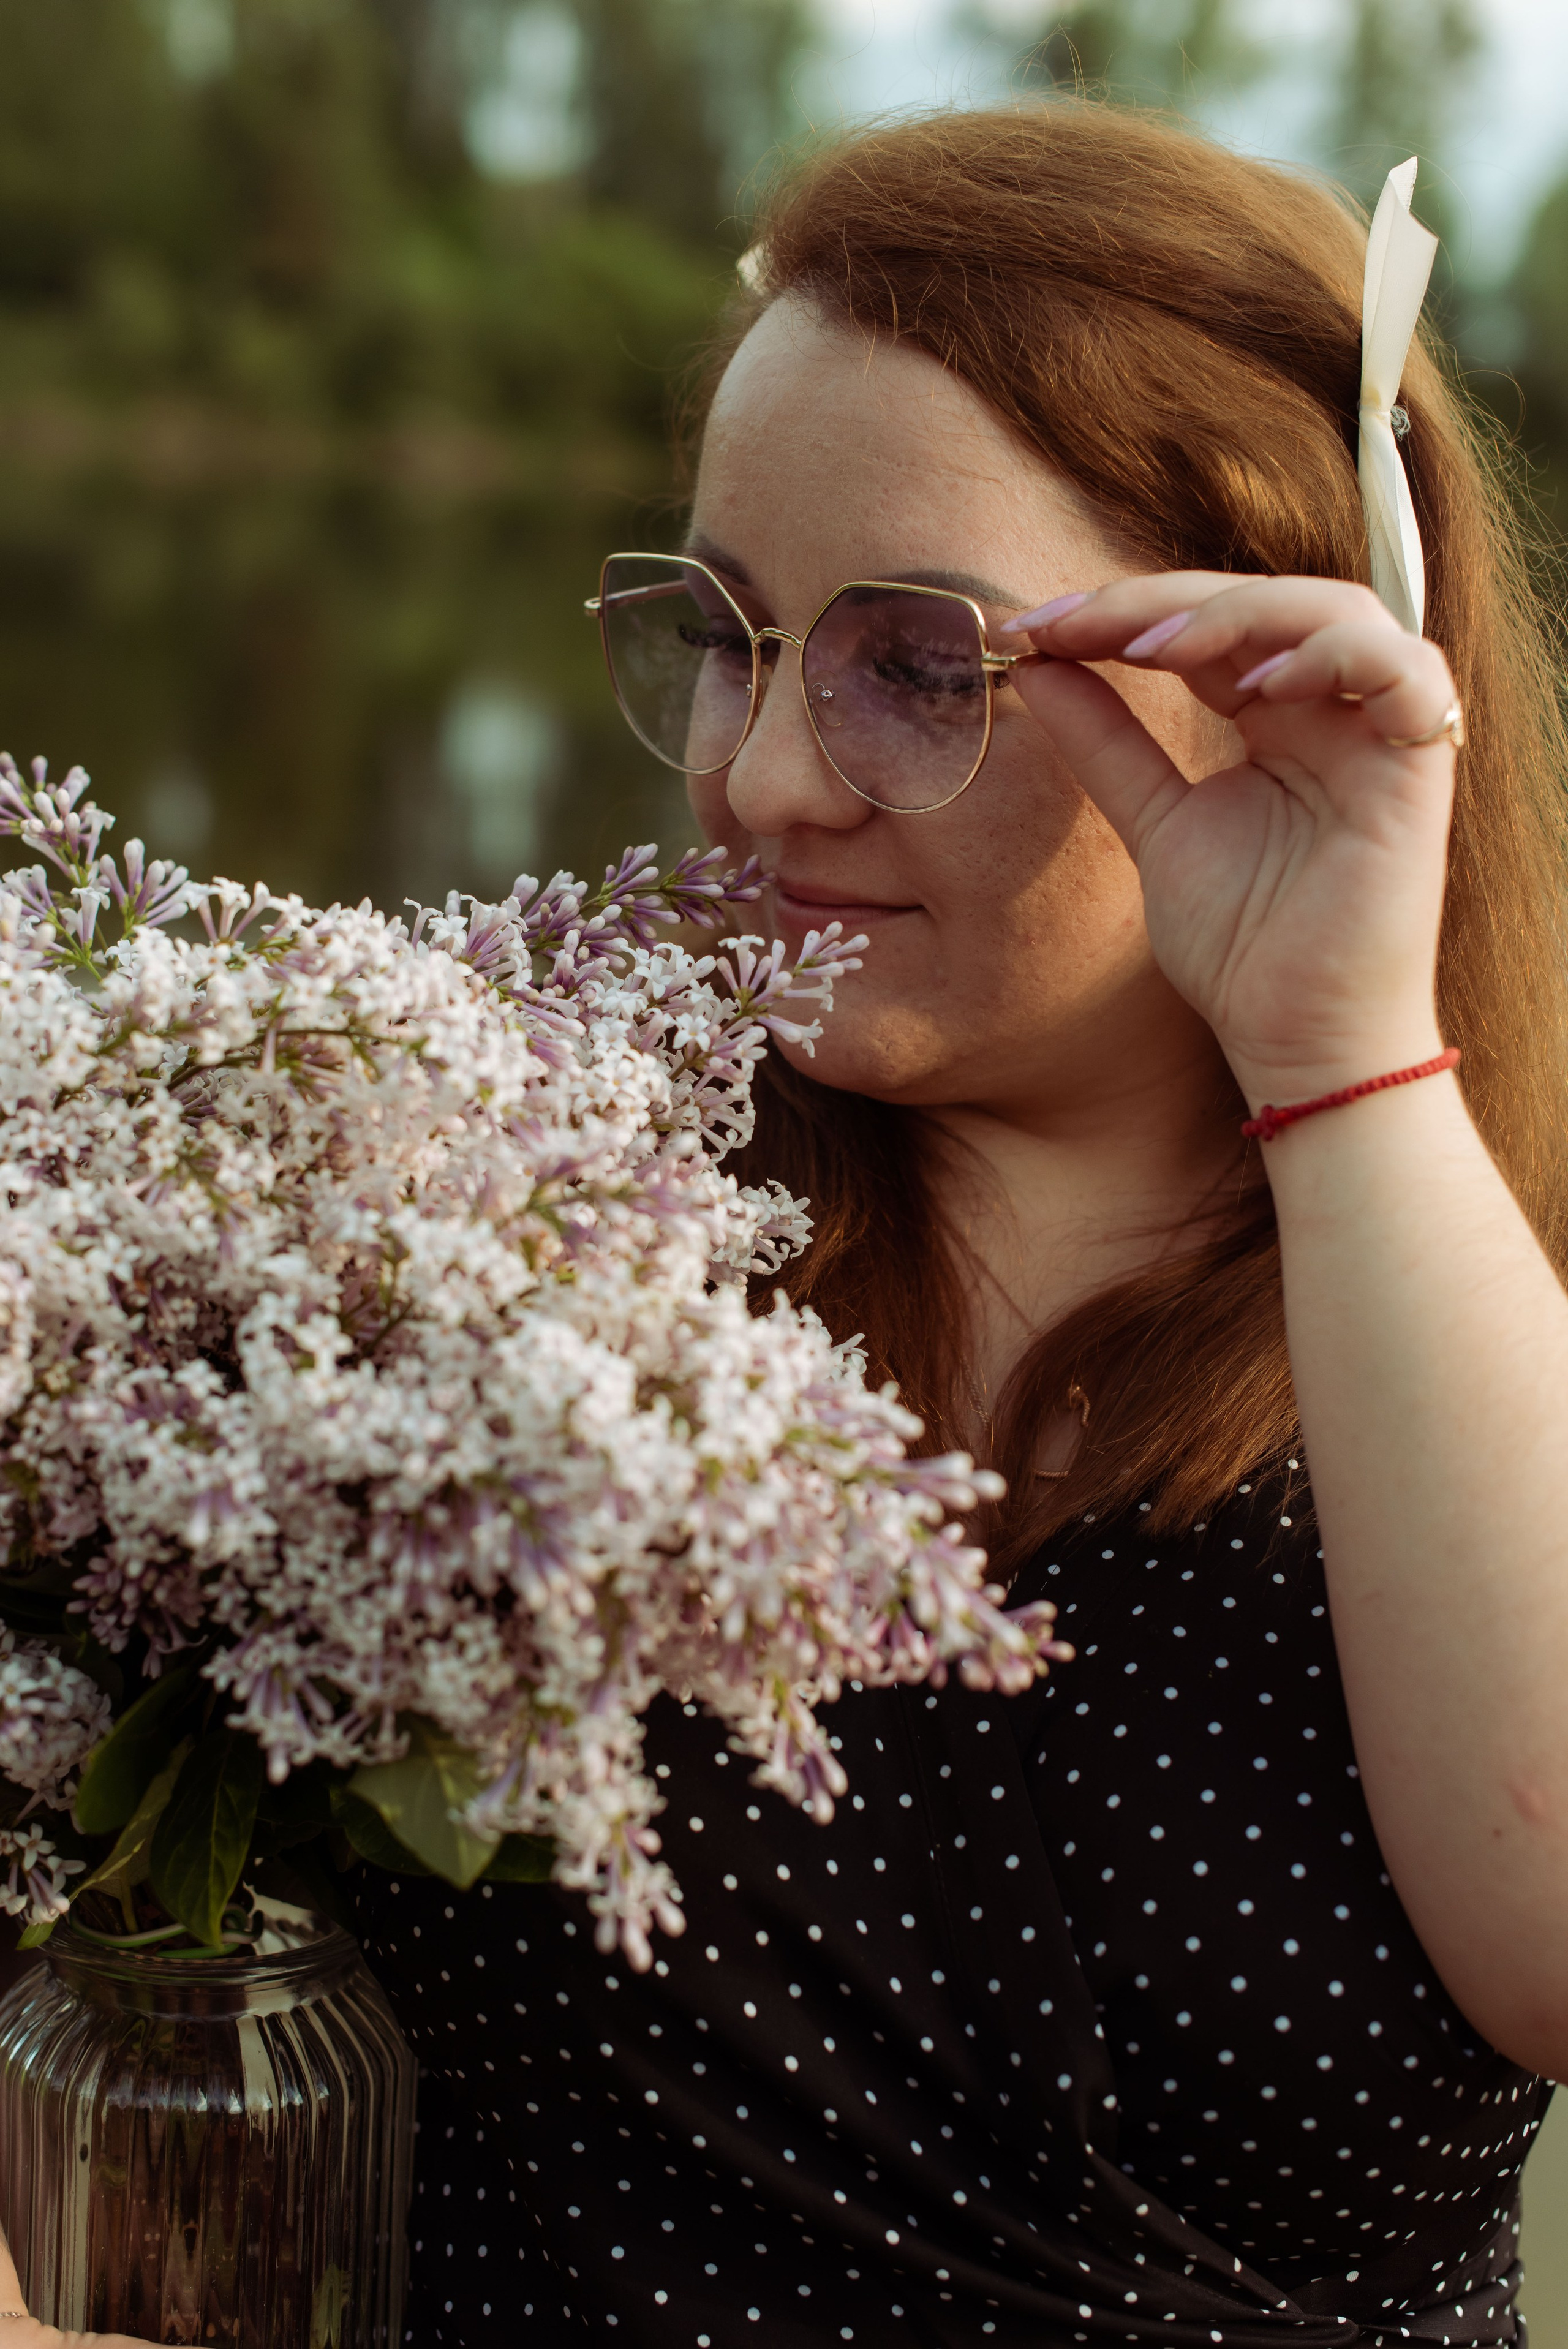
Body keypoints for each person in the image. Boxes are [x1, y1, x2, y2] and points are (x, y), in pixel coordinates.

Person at [9, 96, 1567, 2349]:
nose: (758, 776)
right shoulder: (464, 1206)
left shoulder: (1459, 1323)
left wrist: (1344, 1051)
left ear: (1265, 669)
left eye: (917, 665)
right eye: (723, 630)